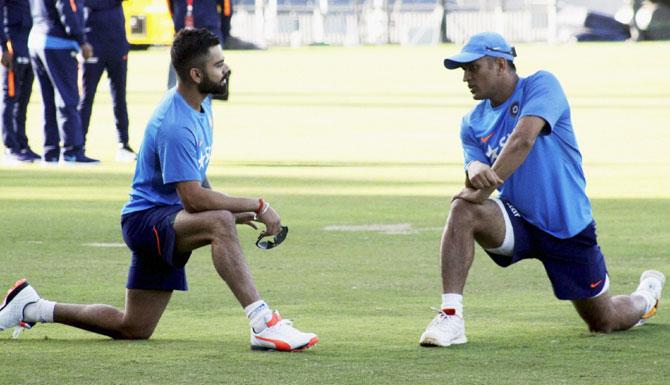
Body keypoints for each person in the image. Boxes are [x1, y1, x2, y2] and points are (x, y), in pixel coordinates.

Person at [0, 28, 318, 352]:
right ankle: (262, 323)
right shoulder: (175, 123)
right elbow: (193, 199)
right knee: (218, 221)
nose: (226, 69)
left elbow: (196, 183)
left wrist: (235, 209)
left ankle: (30, 307)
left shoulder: (200, 105)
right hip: (145, 221)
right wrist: (259, 205)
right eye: (218, 65)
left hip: (165, 219)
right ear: (196, 74)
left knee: (134, 326)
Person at [418, 32, 665, 347]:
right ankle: (451, 316)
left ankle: (645, 298)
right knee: (462, 210)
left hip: (567, 227)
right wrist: (474, 170)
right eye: (463, 70)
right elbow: (475, 172)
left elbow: (523, 140)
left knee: (604, 321)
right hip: (518, 219)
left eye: (473, 68)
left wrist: (482, 183)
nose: (466, 77)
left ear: (501, 64)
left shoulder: (541, 85)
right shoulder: (471, 122)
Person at [28, 0, 100, 164]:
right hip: (57, 42)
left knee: (48, 102)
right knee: (67, 98)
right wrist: (81, 40)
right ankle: (71, 151)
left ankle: (50, 151)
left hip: (36, 38)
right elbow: (67, 7)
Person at [78, 0, 136, 162]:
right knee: (86, 97)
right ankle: (78, 144)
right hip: (92, 43)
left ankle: (123, 144)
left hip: (116, 43)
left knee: (119, 98)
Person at [166, 0, 259, 91]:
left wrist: (223, 31)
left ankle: (204, 101)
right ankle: (173, 99)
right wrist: (177, 24)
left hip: (208, 34)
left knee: (207, 78)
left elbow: (227, 8)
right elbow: (171, 6)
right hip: (184, 35)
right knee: (175, 73)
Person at [0, 0, 40, 163]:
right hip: (13, 43)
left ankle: (22, 143)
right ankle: (11, 147)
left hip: (29, 41)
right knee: (10, 96)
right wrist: (3, 46)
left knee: (23, 98)